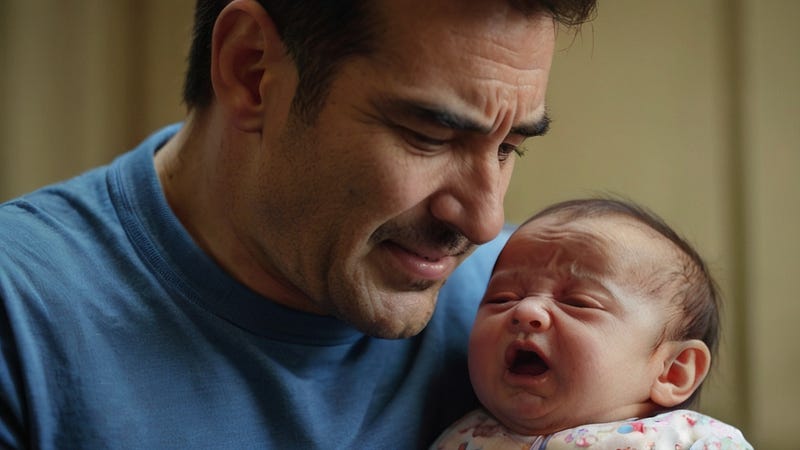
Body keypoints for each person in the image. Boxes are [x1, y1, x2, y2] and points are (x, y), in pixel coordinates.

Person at [0, 0, 598, 448]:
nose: (485, 220)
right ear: (251, 70)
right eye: (430, 136)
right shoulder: (22, 323)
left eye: (508, 148)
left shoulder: (545, 333)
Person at [431, 198, 753, 449]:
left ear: (672, 370)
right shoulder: (460, 437)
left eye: (577, 303)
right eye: (502, 298)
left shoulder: (692, 441)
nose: (526, 310)